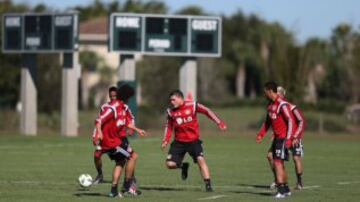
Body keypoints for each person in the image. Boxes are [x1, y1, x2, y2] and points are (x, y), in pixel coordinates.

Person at [161, 90, 227, 192]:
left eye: (173, 99)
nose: (171, 102)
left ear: (180, 98)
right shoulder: (171, 111)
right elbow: (169, 126)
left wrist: (219, 122)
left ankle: (208, 185)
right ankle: (183, 166)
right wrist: (165, 140)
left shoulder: (192, 105)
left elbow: (207, 111)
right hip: (179, 142)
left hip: (193, 141)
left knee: (201, 160)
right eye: (170, 100)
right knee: (169, 164)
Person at [93, 89, 146, 198]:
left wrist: (137, 129)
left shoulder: (122, 107)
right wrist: (98, 132)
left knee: (121, 162)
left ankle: (114, 191)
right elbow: (99, 120)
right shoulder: (111, 108)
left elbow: (126, 122)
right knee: (133, 156)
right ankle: (127, 187)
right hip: (111, 143)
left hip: (115, 141)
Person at [256, 81, 296, 198]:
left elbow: (290, 121)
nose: (264, 95)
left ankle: (281, 191)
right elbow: (267, 122)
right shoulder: (270, 106)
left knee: (278, 163)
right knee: (277, 162)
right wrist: (261, 134)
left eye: (265, 92)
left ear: (270, 91)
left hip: (283, 138)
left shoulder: (282, 105)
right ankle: (286, 189)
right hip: (276, 139)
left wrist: (289, 139)